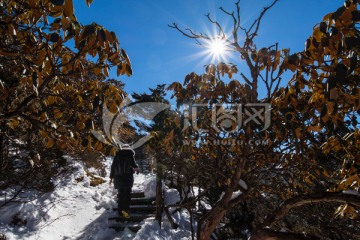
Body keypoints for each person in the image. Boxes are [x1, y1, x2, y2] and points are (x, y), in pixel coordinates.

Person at [109, 145, 140, 219]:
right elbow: (134, 165)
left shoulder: (117, 156)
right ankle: (125, 211)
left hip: (118, 178)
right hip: (127, 177)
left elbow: (113, 167)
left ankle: (120, 212)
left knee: (121, 195)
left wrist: (111, 177)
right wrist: (137, 170)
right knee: (127, 195)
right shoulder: (129, 155)